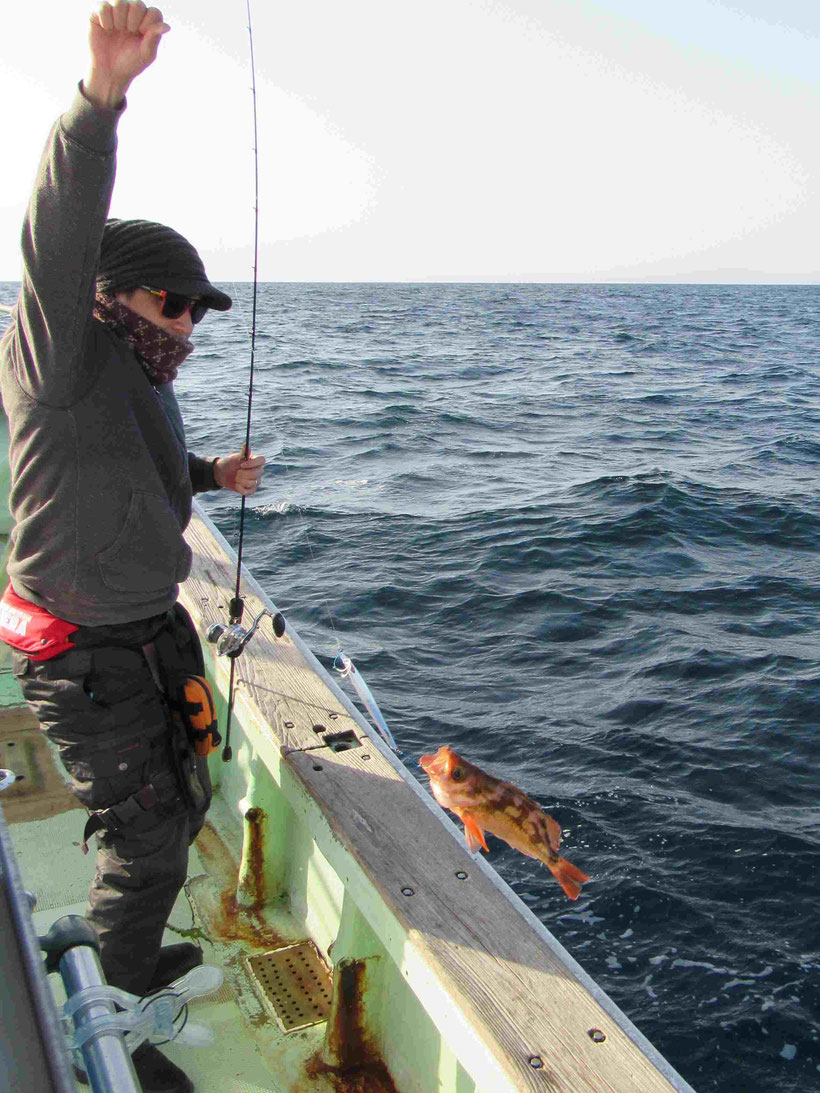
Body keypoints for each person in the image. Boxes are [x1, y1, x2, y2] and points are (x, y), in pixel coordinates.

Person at [0, 5, 263, 1091]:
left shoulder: (140, 384)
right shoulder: (62, 353)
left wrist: (210, 479)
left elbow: (137, 472)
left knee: (187, 793)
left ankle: (142, 952)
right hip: (82, 649)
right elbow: (56, 235)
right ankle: (112, 1026)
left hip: (149, 628)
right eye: (171, 301)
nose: (188, 325)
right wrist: (99, 98)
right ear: (107, 298)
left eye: (198, 309)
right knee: (145, 836)